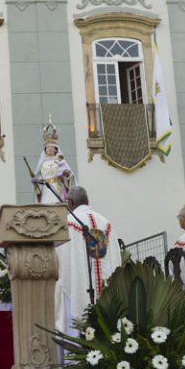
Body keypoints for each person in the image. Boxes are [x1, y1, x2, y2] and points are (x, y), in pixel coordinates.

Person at [55, 186, 122, 336]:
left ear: (70, 202)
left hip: (77, 289)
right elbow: (115, 257)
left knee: (76, 327)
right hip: (106, 292)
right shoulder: (106, 223)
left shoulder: (68, 223)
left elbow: (62, 259)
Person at [33, 119, 75, 203]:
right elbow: (39, 178)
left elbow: (69, 176)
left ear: (56, 149)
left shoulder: (60, 160)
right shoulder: (42, 163)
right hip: (46, 189)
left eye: (52, 147)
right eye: (48, 147)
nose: (50, 149)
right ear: (45, 149)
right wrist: (36, 183)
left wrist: (66, 176)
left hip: (58, 188)